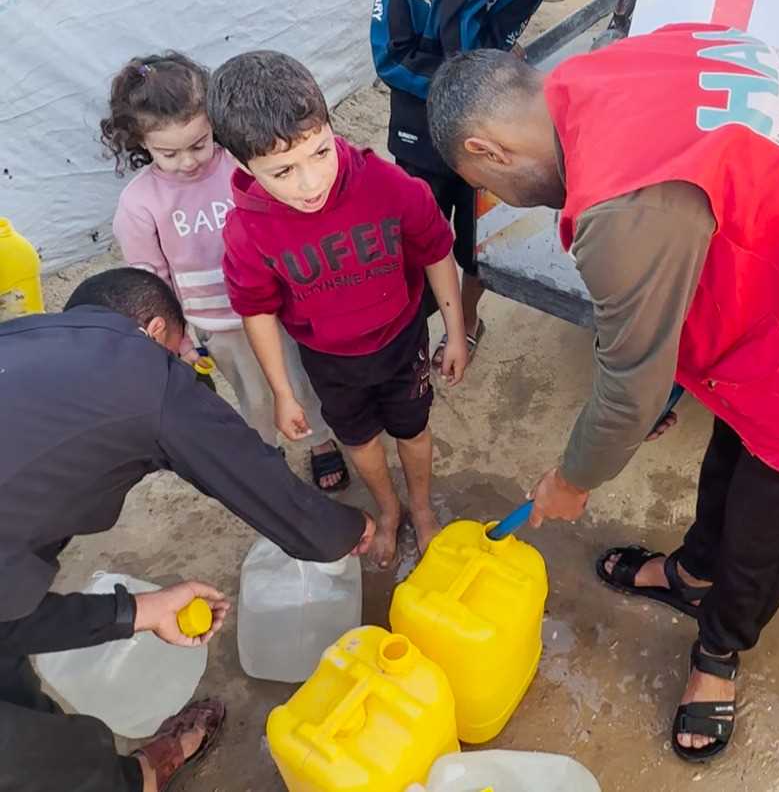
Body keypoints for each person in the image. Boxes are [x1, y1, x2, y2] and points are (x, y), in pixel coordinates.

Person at [426, 26, 779, 761]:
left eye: (489, 187)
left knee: (774, 496)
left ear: (487, 153)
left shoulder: (618, 205)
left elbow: (628, 388)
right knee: (736, 422)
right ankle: (694, 571)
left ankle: (719, 653)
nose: (501, 198)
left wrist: (570, 480)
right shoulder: (608, 72)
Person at [0, 268, 375, 792]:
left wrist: (139, 612)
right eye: (182, 350)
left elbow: (8, 624)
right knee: (47, 770)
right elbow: (253, 474)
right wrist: (346, 527)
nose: (186, 362)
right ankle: (133, 778)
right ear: (155, 332)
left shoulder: (25, 339)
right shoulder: (142, 370)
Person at [207, 50, 468, 566]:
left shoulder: (385, 184)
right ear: (242, 164)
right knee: (359, 439)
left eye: (320, 153)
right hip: (329, 361)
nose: (310, 184)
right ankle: (388, 509)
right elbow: (255, 309)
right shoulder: (247, 231)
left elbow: (437, 247)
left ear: (330, 126)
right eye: (282, 171)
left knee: (413, 428)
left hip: (401, 341)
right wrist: (282, 392)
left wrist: (455, 331)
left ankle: (421, 507)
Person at [102, 51, 350, 492]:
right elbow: (150, 283)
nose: (189, 161)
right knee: (253, 396)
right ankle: (266, 451)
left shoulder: (242, 164)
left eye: (200, 143)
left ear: (215, 122)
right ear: (141, 143)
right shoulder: (139, 204)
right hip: (220, 326)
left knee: (303, 380)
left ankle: (320, 442)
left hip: (283, 309)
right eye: (169, 153)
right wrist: (175, 343)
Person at [370, 0, 543, 367]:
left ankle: (466, 319)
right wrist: (474, 79)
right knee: (416, 242)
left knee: (477, 244)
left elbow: (488, 56)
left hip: (482, 136)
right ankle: (411, 335)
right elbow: (391, 58)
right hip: (420, 130)